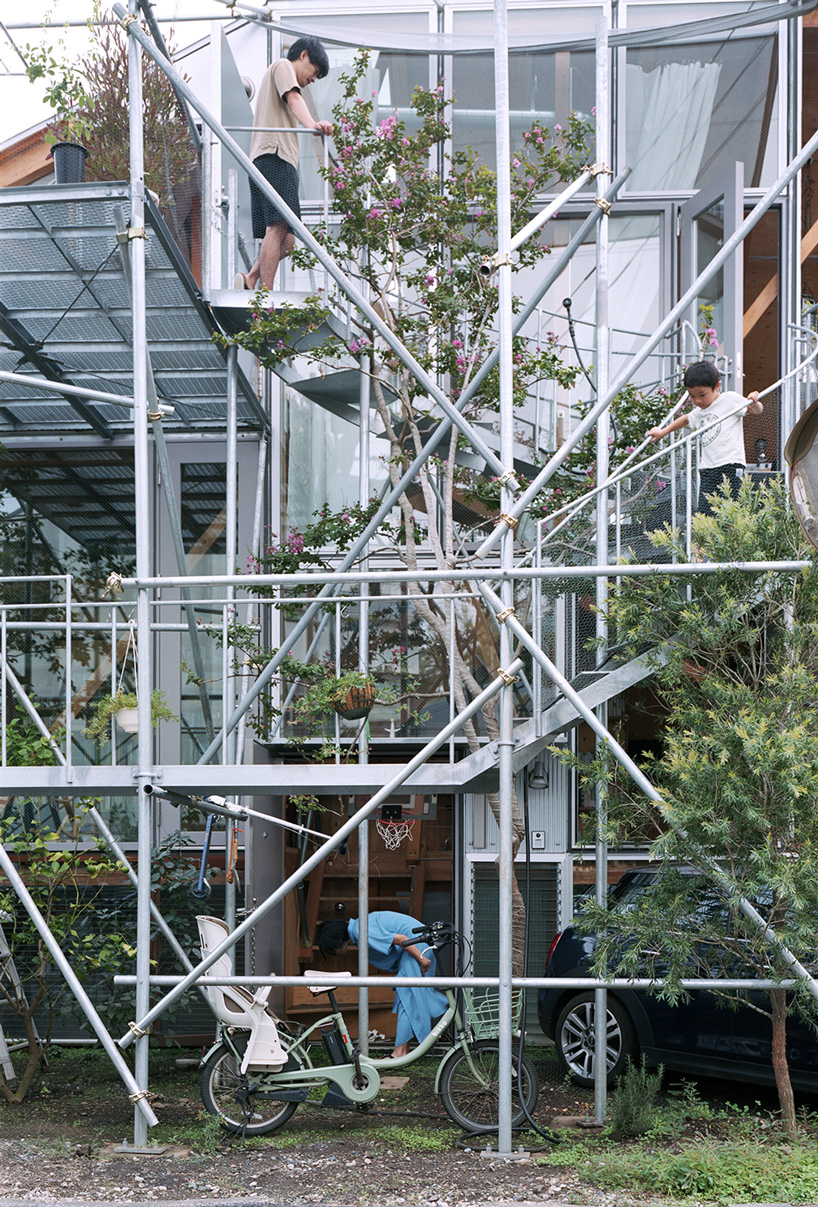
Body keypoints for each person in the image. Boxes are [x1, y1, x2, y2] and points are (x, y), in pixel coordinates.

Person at [235, 37, 333, 292]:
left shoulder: (280, 74)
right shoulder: (283, 66)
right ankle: (265, 297)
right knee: (277, 228)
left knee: (288, 240)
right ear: (303, 55)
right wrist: (312, 124)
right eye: (315, 71)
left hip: (272, 158)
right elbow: (294, 99)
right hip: (274, 156)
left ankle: (252, 278)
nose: (314, 79)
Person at [314, 912, 448, 1058]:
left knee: (408, 998)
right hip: (417, 944)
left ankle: (399, 1053)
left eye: (331, 949)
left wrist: (422, 960)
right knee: (413, 997)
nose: (336, 953)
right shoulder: (360, 926)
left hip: (416, 946)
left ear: (336, 941)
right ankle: (409, 1046)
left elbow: (402, 939)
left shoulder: (361, 931)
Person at [647, 361, 763, 516]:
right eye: (692, 396)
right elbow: (685, 419)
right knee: (705, 515)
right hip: (708, 469)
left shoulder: (729, 399)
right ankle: (706, 541)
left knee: (732, 513)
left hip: (730, 465)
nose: (698, 401)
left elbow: (757, 410)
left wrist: (753, 401)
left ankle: (731, 540)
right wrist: (662, 432)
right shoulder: (700, 412)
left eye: (702, 395)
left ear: (717, 386)